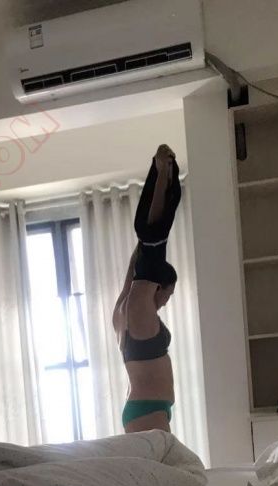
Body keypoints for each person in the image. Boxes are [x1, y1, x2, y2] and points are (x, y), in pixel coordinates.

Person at [112, 144, 181, 432]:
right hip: (148, 408)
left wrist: (162, 175)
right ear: (157, 287)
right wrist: (161, 176)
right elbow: (152, 250)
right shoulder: (139, 308)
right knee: (154, 239)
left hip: (147, 407)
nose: (166, 301)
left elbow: (142, 258)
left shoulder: (127, 308)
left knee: (151, 240)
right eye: (168, 294)